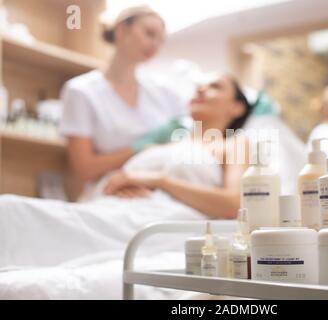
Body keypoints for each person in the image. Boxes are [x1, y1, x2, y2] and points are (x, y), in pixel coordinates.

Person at [0, 75, 254, 267]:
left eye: (215, 86)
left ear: (237, 108)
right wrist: (122, 183)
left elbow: (233, 204)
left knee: (12, 213)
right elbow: (116, 178)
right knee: (10, 211)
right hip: (113, 208)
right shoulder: (166, 143)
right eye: (199, 84)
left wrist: (159, 181)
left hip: (157, 224)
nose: (200, 88)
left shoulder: (233, 143)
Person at [60, 5, 186, 196]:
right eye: (149, 33)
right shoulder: (81, 91)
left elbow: (186, 146)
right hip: (109, 190)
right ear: (121, 30)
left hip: (158, 190)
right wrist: (141, 146)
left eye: (160, 40)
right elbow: (85, 169)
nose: (155, 44)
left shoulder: (165, 93)